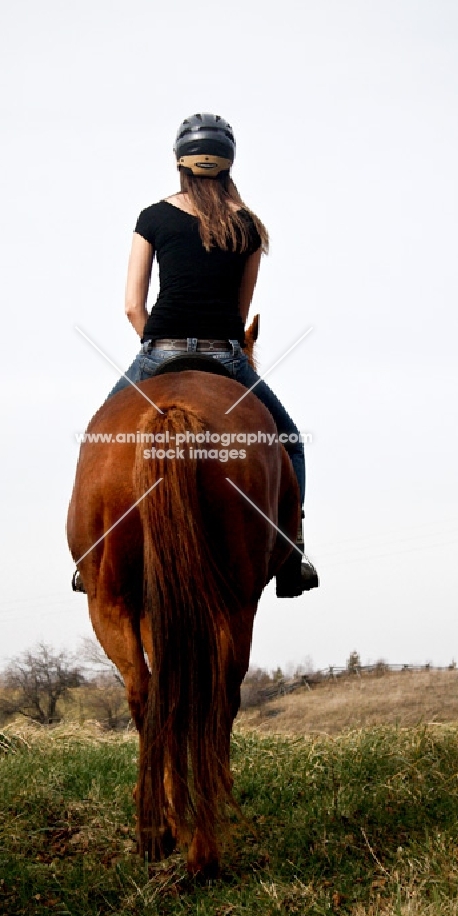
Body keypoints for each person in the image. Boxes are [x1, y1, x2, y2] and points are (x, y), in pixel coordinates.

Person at [75, 113, 318, 597]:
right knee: (290, 442)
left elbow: (131, 306)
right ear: (229, 164)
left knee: (96, 439)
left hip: (158, 351)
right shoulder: (249, 227)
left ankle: (91, 555)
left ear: (179, 163)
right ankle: (292, 553)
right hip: (226, 356)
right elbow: (240, 311)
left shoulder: (152, 217)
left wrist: (156, 346)